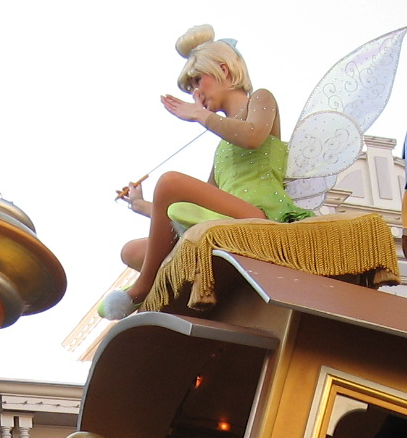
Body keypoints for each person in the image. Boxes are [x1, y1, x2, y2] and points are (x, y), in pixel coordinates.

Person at [101, 25, 311, 319]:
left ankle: (142, 288)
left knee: (171, 181)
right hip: (226, 218)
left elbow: (251, 136)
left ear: (224, 69)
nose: (196, 93)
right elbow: (192, 204)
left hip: (260, 216)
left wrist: (201, 115)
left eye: (198, 81)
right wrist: (140, 204)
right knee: (133, 251)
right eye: (191, 89)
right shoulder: (222, 146)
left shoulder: (261, 99)